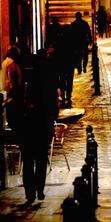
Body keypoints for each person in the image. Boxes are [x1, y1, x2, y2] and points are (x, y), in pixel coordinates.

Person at [21, 48, 59, 204]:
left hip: (29, 126)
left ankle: (30, 192)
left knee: (29, 160)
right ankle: (40, 190)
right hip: (43, 124)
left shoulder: (28, 80)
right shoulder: (49, 80)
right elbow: (53, 107)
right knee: (41, 159)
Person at [1, 46, 23, 133]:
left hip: (6, 89)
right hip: (12, 90)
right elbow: (13, 79)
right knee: (13, 110)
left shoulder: (4, 62)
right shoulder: (11, 63)